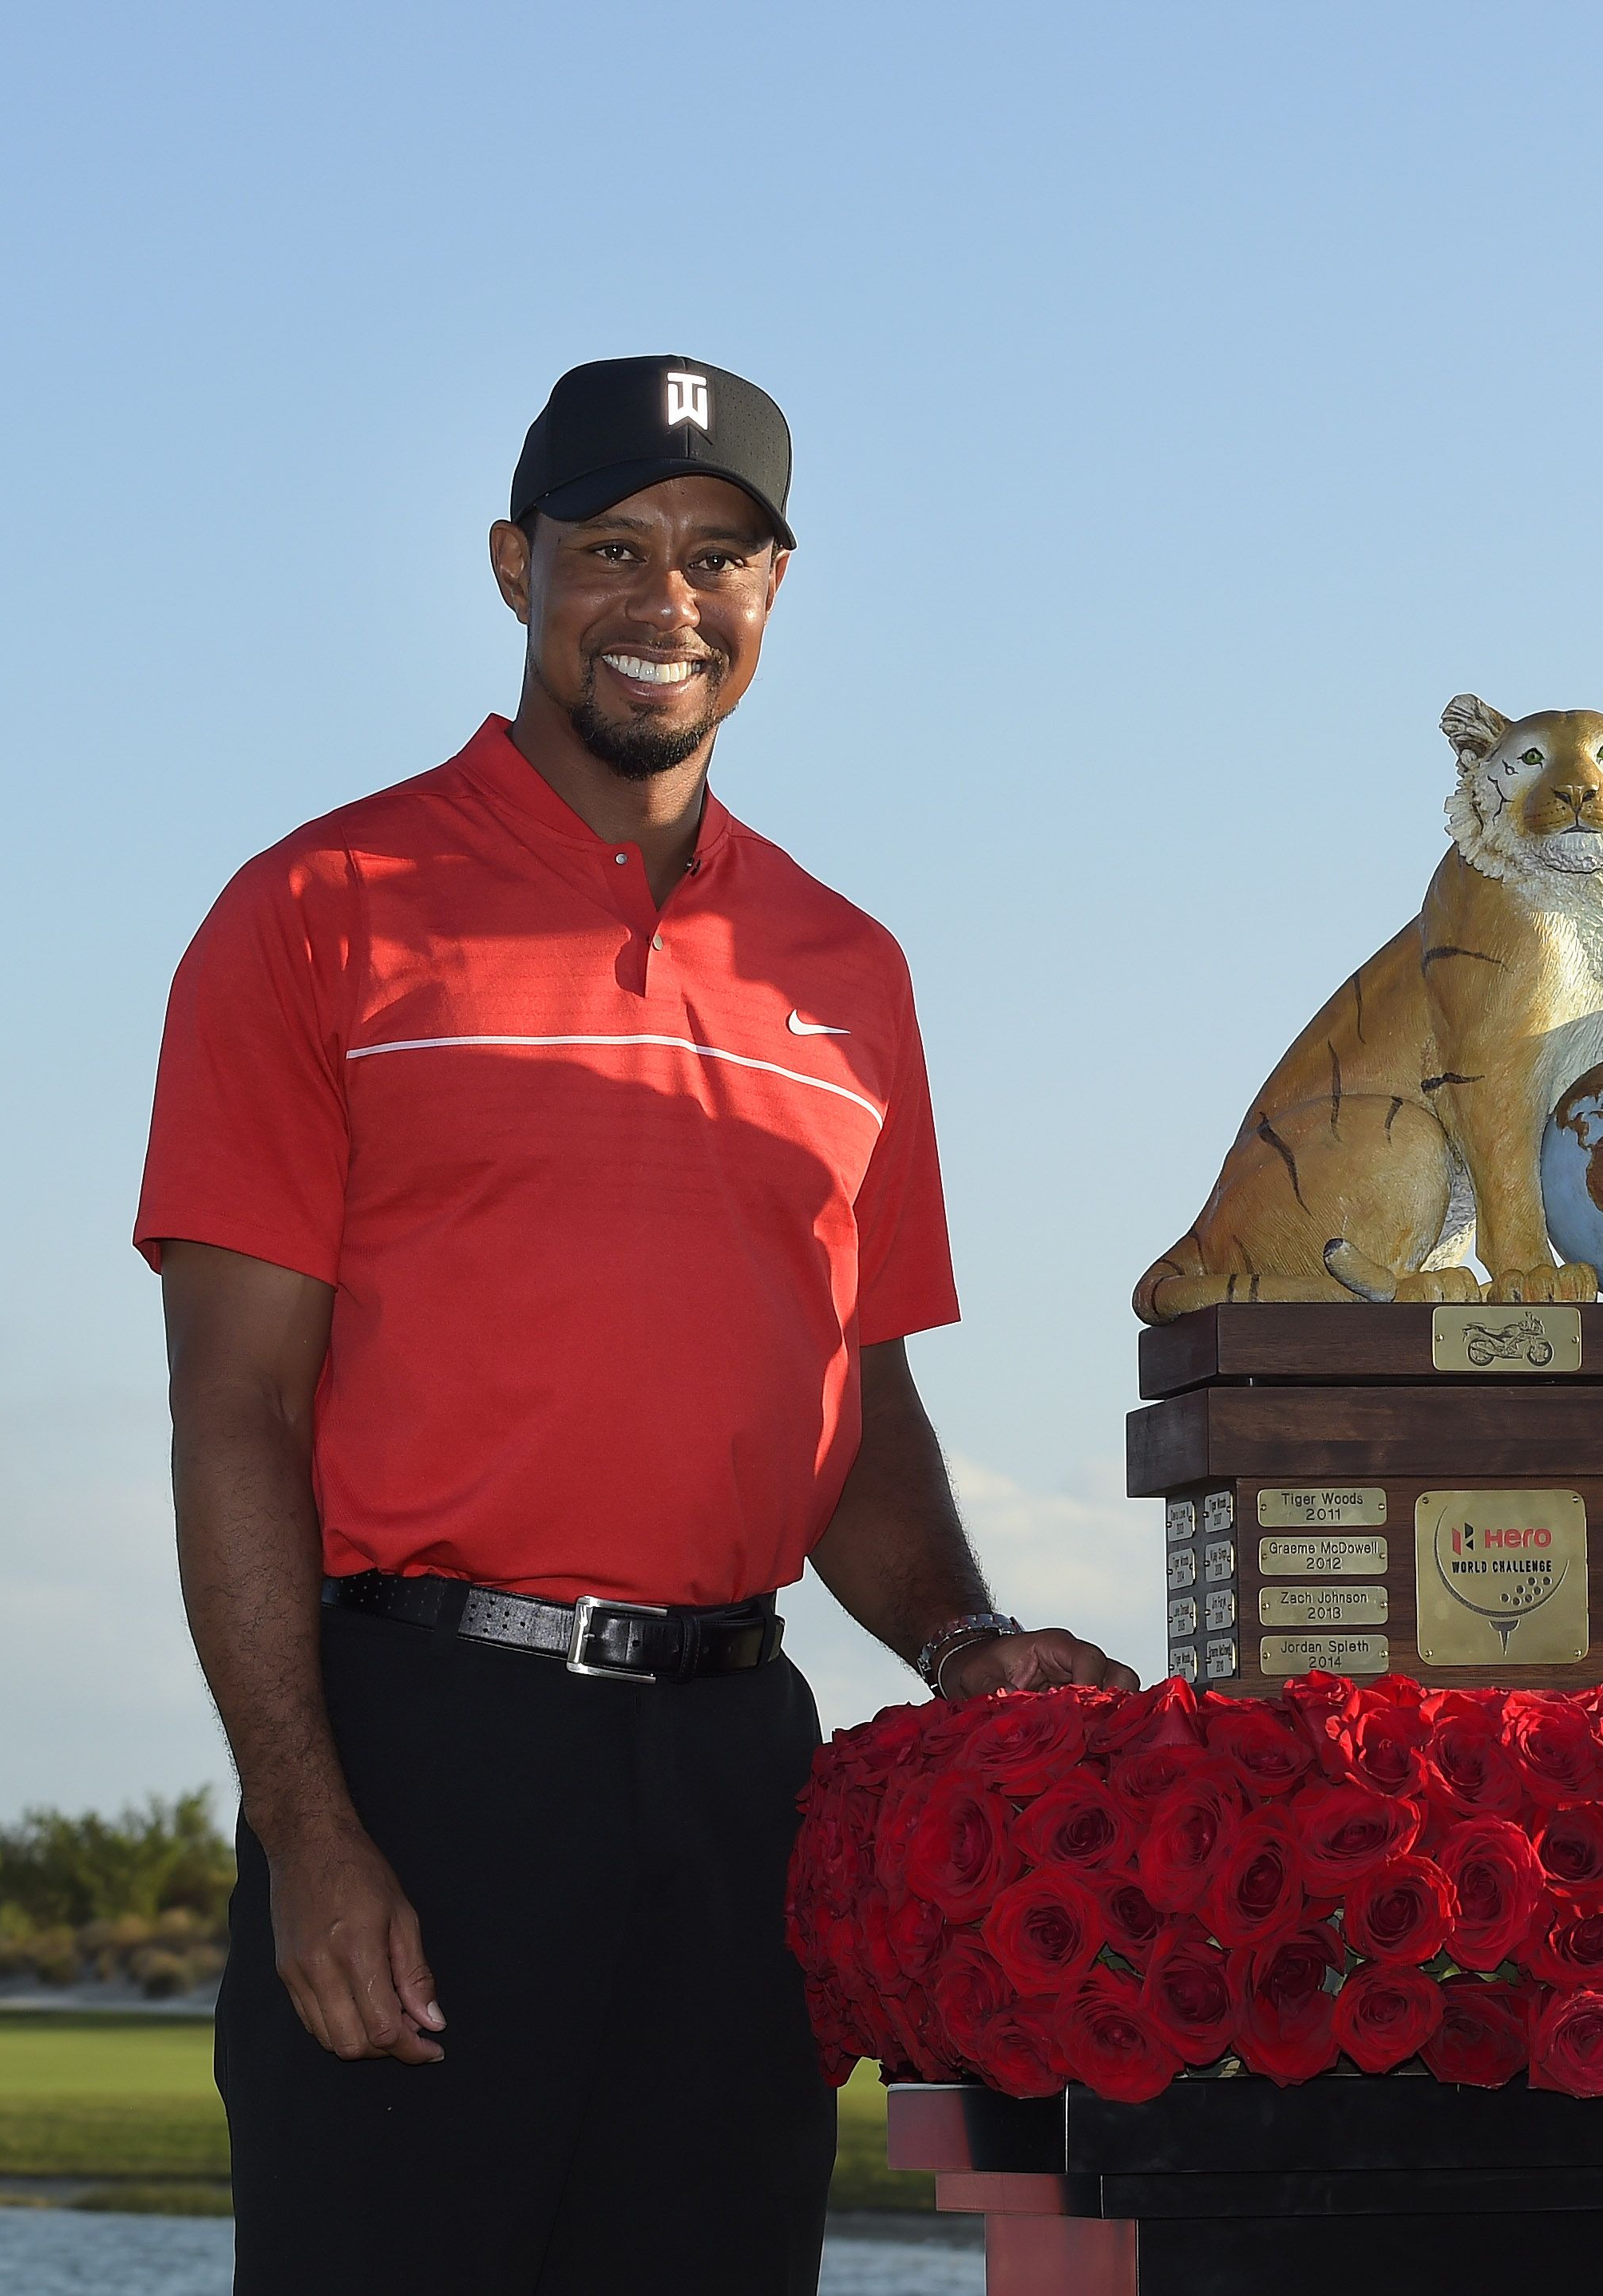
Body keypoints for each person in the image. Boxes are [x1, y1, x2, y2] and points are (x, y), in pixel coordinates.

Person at [137, 354, 1131, 2295]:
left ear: (775, 591)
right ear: (516, 567)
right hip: (427, 1752)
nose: (664, 599)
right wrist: (312, 1833)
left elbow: (851, 1394)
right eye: (611, 547)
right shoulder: (316, 908)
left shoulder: (848, 966)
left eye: (717, 555)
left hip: (737, 1778)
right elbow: (232, 1416)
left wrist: (956, 1635)